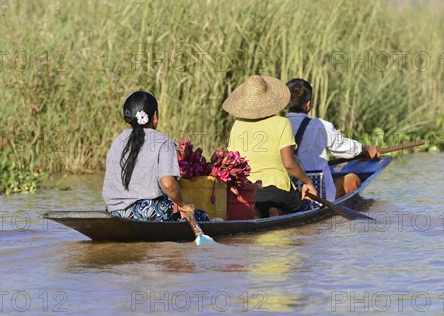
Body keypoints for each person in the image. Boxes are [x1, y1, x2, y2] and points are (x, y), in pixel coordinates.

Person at [224, 75, 318, 218]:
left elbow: (230, 163)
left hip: (248, 191)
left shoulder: (237, 125)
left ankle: (265, 211)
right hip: (278, 191)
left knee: (260, 208)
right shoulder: (282, 123)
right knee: (307, 211)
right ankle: (276, 210)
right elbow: (289, 164)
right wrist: (308, 182)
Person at [102, 91, 204, 221]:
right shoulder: (163, 142)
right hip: (148, 213)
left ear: (128, 120)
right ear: (155, 116)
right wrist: (183, 205)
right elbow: (168, 184)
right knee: (202, 216)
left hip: (114, 212)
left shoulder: (117, 141)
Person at [285, 78, 380, 201]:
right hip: (319, 196)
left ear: (285, 103)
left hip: (289, 197)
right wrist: (364, 149)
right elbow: (344, 148)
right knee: (352, 179)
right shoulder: (321, 126)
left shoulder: (277, 126)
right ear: (308, 104)